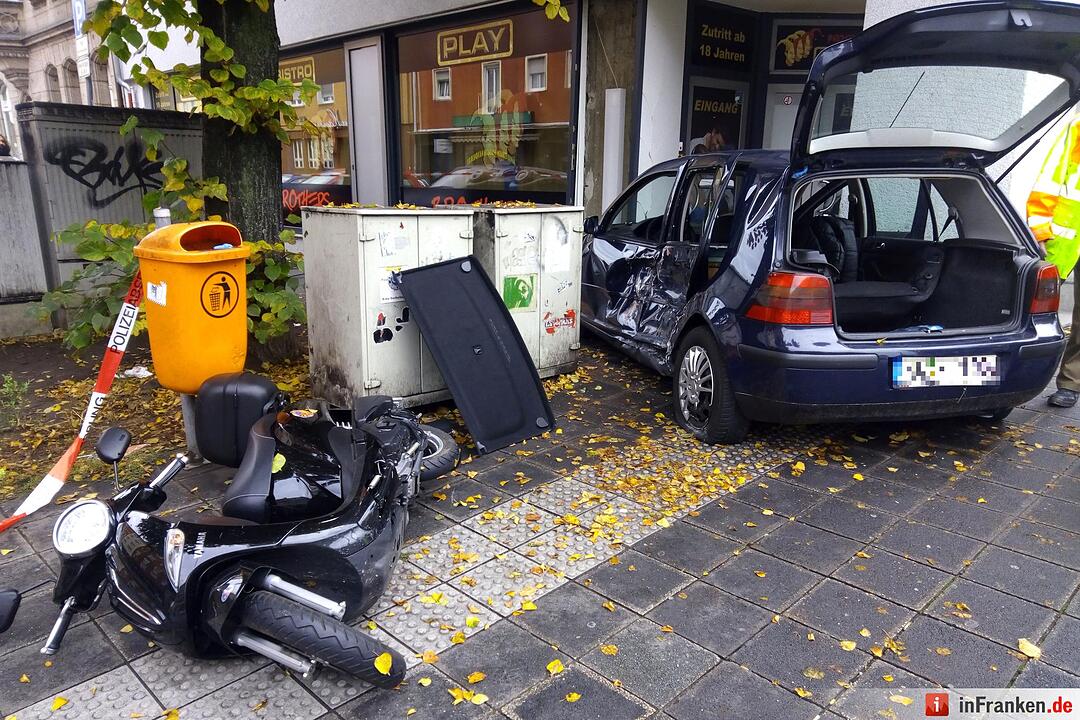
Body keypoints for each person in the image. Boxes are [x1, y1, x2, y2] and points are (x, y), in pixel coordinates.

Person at [1027, 114, 1080, 407]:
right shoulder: (1079, 125)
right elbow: (1051, 176)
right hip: (1066, 235)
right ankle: (1013, 373)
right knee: (1034, 309)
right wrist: (1040, 226)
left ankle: (1071, 382)